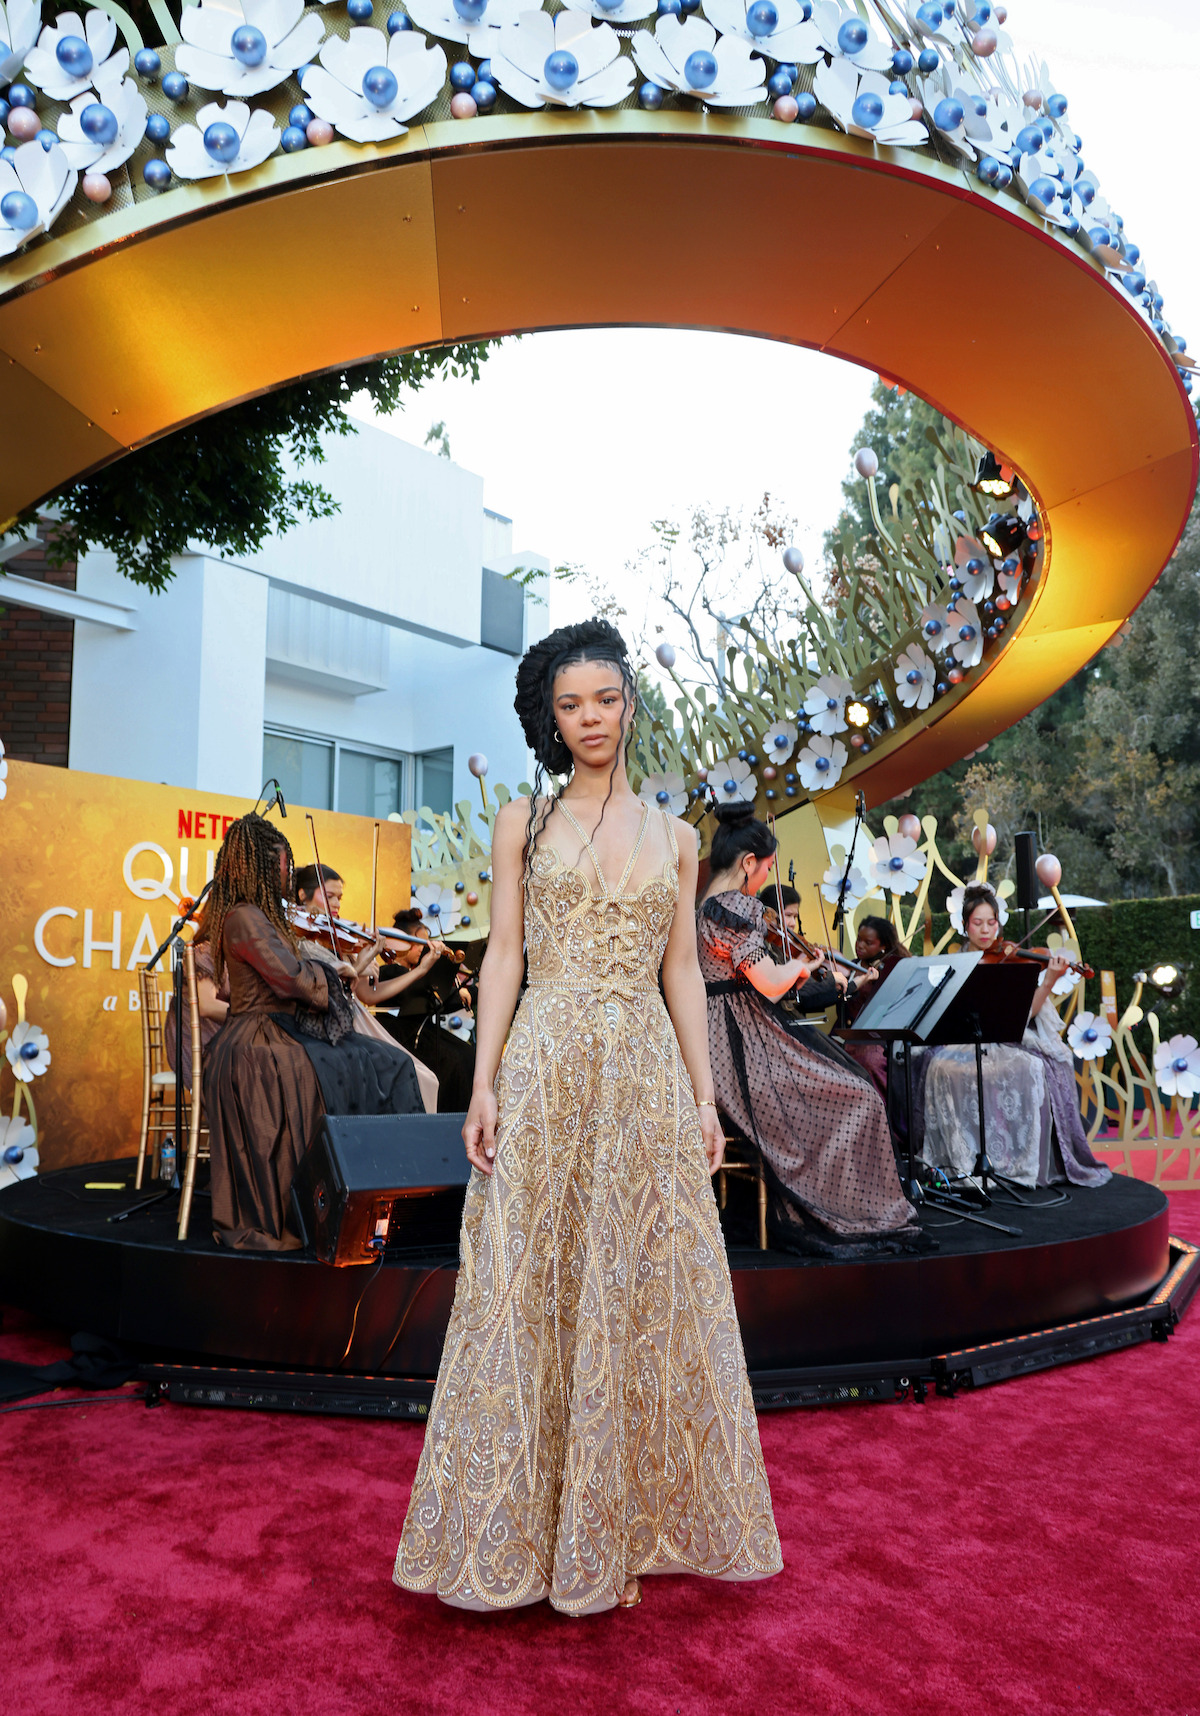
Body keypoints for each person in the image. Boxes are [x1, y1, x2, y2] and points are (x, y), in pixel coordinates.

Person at [394, 618, 781, 1615]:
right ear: (549, 720)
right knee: (528, 1281)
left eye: (604, 699)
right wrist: (480, 1085)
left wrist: (705, 1098)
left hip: (646, 1071)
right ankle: (518, 1533)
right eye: (570, 705)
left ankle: (620, 1532)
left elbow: (683, 978)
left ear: (629, 705)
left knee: (635, 1287)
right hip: (547, 1059)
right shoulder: (522, 819)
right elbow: (505, 958)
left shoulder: (680, 839)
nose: (590, 718)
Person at [201, 814, 423, 1252]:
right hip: (258, 1041)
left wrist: (333, 969)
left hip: (277, 1030)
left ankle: (384, 1200)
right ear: (262, 867)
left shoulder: (256, 916)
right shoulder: (245, 917)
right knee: (377, 1065)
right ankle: (355, 1201)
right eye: (284, 866)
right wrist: (328, 969)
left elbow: (273, 979)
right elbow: (291, 981)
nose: (288, 874)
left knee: (384, 1063)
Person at [698, 804, 918, 1246]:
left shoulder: (703, 905)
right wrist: (801, 967)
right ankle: (852, 1206)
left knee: (841, 1085)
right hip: (740, 1045)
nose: (764, 878)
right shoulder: (739, 906)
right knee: (858, 1094)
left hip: (714, 1037)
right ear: (747, 864)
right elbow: (769, 984)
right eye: (766, 868)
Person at [920, 883, 1111, 1188]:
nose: (985, 931)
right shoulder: (953, 963)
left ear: (999, 923)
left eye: (991, 923)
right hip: (963, 1040)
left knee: (1033, 1067)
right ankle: (963, 1159)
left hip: (1007, 1037)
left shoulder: (1012, 959)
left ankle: (1017, 1160)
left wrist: (1048, 980)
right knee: (943, 1069)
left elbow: (1025, 1016)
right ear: (965, 926)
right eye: (977, 923)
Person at [294, 861, 440, 1112]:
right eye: (329, 896)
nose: (338, 904)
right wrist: (359, 964)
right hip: (329, 1025)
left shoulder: (336, 938)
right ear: (302, 895)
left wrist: (420, 971)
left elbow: (367, 995)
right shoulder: (300, 941)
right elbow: (320, 984)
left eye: (339, 897)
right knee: (407, 1076)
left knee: (426, 1077)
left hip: (355, 1016)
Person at [373, 910, 476, 1112]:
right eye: (419, 943)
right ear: (400, 943)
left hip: (420, 1033)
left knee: (465, 1054)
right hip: (400, 1037)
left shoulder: (413, 974)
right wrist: (463, 993)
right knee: (455, 1059)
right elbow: (424, 996)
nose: (424, 949)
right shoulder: (389, 972)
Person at [837, 915, 909, 1098]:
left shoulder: (888, 971)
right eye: (859, 940)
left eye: (868, 942)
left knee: (871, 1062)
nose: (860, 945)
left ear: (883, 946)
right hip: (842, 1032)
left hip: (873, 1036)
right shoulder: (849, 967)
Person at [163, 934, 229, 1094]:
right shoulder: (206, 952)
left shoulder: (221, 954)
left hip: (206, 1042)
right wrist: (252, 1016)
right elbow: (207, 1006)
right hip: (197, 1047)